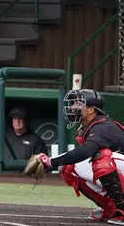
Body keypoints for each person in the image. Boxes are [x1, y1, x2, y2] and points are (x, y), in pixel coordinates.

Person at [28, 89, 124, 224]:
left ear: (91, 109)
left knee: (102, 158)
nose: (72, 107)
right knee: (67, 166)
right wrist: (50, 161)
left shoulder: (102, 126)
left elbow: (85, 151)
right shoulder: (90, 126)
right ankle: (111, 208)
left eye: (77, 103)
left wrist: (50, 162)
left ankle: (123, 209)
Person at [0, 106, 47, 173]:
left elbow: (41, 165)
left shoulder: (36, 140)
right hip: (2, 179)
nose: (17, 121)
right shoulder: (4, 137)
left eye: (20, 118)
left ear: (26, 121)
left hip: (24, 181)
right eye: (15, 118)